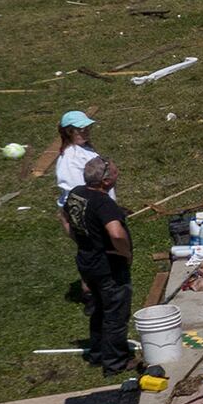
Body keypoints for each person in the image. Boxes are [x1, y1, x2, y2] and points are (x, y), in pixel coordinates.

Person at [63, 155, 133, 374]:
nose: (117, 173)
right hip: (108, 266)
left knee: (99, 310)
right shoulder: (104, 203)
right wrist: (125, 253)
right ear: (105, 181)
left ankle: (96, 354)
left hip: (87, 262)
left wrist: (80, 240)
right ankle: (115, 363)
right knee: (115, 314)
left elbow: (64, 218)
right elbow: (116, 233)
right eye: (114, 171)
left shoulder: (76, 194)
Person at [53, 110, 106, 209]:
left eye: (87, 128)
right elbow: (75, 189)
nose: (86, 132)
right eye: (81, 129)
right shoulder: (70, 158)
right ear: (69, 132)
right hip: (87, 209)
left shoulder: (84, 149)